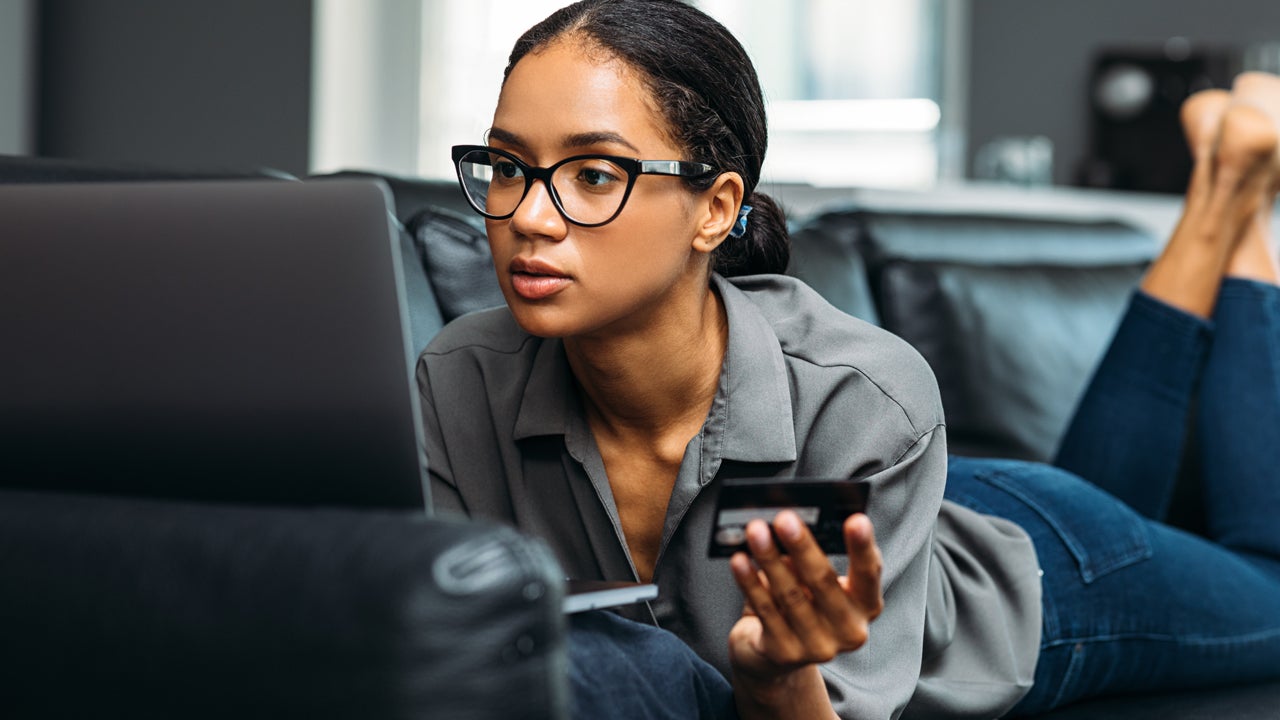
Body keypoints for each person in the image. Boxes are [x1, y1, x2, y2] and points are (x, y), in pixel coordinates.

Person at [416, 1, 1280, 717]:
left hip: (1048, 580)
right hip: (914, 496)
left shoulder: (863, 394)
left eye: (593, 174)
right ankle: (1231, 186)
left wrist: (779, 676)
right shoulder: (459, 381)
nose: (527, 215)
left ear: (715, 210)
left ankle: (1230, 203)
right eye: (507, 166)